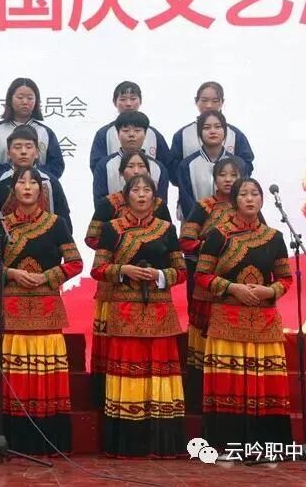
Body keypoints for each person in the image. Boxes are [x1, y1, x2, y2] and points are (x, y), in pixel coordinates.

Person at [0, 167, 82, 455]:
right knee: (13, 379)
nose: (27, 187)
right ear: (13, 189)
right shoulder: (0, 225)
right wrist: (11, 273)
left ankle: (45, 441)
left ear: (41, 189)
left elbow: (75, 263)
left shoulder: (56, 223)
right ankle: (8, 439)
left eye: (33, 182)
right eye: (21, 182)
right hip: (11, 314)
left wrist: (46, 277)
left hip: (46, 313)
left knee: (43, 380)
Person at [195, 178, 292, 462]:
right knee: (230, 385)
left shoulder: (274, 237)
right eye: (244, 194)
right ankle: (228, 445)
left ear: (262, 199)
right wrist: (232, 288)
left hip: (264, 321)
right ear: (235, 200)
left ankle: (268, 447)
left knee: (266, 385)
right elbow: (201, 276)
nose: (250, 199)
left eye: (255, 194)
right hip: (227, 320)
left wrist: (269, 291)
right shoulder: (218, 235)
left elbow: (285, 278)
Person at [90, 174, 186, 458]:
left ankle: (161, 442)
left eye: (147, 190)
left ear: (155, 198)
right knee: (127, 372)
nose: (141, 194)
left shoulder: (166, 229)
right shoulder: (112, 228)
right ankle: (127, 442)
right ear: (126, 196)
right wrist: (123, 270)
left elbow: (181, 271)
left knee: (160, 372)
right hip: (124, 311)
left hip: (160, 311)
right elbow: (97, 269)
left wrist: (159, 275)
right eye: (135, 190)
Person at [84, 152, 171, 409]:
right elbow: (91, 238)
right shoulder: (108, 204)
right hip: (115, 282)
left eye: (141, 166)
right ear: (122, 173)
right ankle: (110, 393)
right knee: (115, 345)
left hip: (152, 286)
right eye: (130, 166)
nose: (136, 170)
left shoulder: (159, 206)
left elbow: (168, 247)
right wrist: (120, 250)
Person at [179, 158, 244, 414]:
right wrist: (213, 249)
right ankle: (201, 401)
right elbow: (185, 240)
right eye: (222, 175)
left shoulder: (247, 205)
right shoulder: (204, 206)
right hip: (207, 285)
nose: (228, 179)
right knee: (204, 343)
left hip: (238, 288)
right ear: (214, 179)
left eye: (233, 175)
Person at [0, 125, 72, 244]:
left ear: (37, 153)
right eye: (17, 147)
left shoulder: (50, 182)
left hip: (46, 250)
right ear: (8, 154)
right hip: (6, 250)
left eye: (29, 147)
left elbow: (65, 225)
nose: (23, 152)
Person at [0, 78, 64, 179]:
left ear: (36, 101)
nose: (25, 102)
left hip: (38, 186)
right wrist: (9, 175)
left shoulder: (45, 132)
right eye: (20, 97)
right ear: (10, 99)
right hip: (2, 185)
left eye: (30, 98)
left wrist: (34, 176)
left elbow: (57, 165)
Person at [169, 81, 254, 180]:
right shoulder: (183, 134)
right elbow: (173, 169)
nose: (209, 105)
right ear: (196, 101)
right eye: (204, 100)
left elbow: (246, 166)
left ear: (222, 102)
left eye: (215, 101)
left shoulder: (235, 135)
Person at [176, 110, 245, 219]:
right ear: (200, 133)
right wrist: (201, 222)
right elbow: (186, 200)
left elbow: (243, 195)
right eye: (206, 128)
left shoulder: (238, 163)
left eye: (218, 127)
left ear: (225, 131)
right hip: (196, 225)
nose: (213, 131)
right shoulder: (187, 165)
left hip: (234, 224)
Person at [89, 81, 170, 172]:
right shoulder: (104, 134)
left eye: (133, 99)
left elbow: (166, 166)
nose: (128, 103)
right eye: (123, 99)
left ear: (140, 101)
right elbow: (97, 167)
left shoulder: (153, 134)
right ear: (115, 102)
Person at [92, 110, 169, 206]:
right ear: (118, 134)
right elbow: (100, 203)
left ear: (145, 134)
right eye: (126, 131)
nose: (131, 134)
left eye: (137, 130)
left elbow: (161, 205)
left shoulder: (158, 167)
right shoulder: (104, 166)